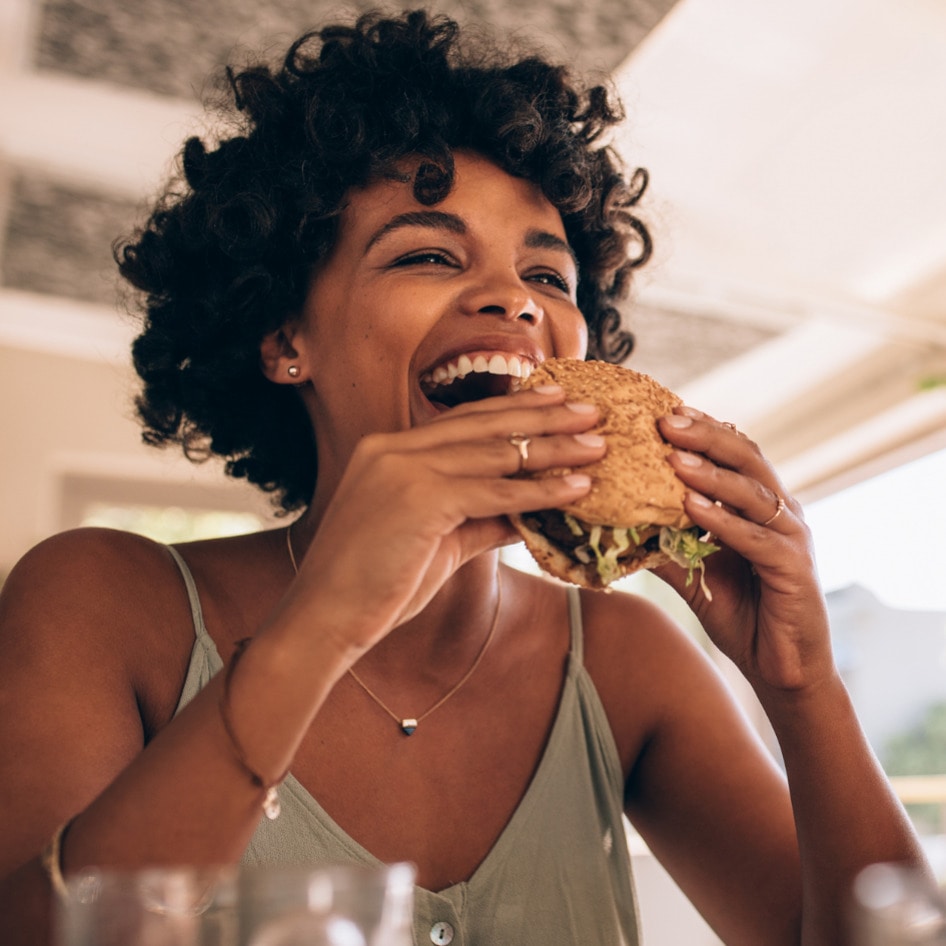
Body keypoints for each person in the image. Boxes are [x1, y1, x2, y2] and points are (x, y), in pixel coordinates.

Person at [0, 10, 929, 945]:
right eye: (429, 255)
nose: (514, 299)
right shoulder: (101, 601)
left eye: (550, 276)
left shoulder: (625, 660)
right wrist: (320, 628)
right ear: (287, 339)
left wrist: (803, 686)